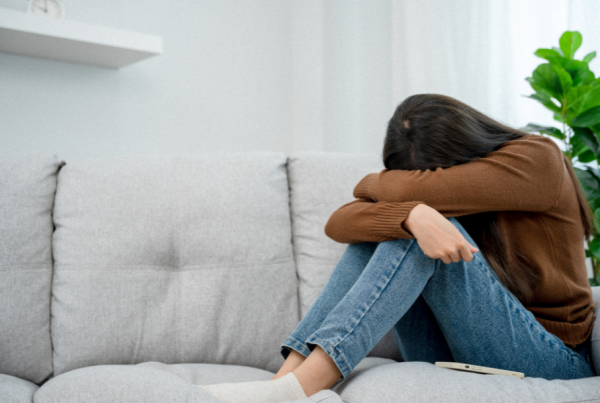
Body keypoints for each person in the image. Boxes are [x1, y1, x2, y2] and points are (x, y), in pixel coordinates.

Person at [201, 94, 597, 402]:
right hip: (455, 347)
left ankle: (306, 384)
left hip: (549, 358)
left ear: (465, 150)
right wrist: (411, 215)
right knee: (396, 227)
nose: (427, 184)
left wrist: (393, 196)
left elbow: (399, 191)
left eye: (435, 176)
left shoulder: (538, 159)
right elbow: (339, 222)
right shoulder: (460, 187)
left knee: (416, 228)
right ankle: (287, 380)